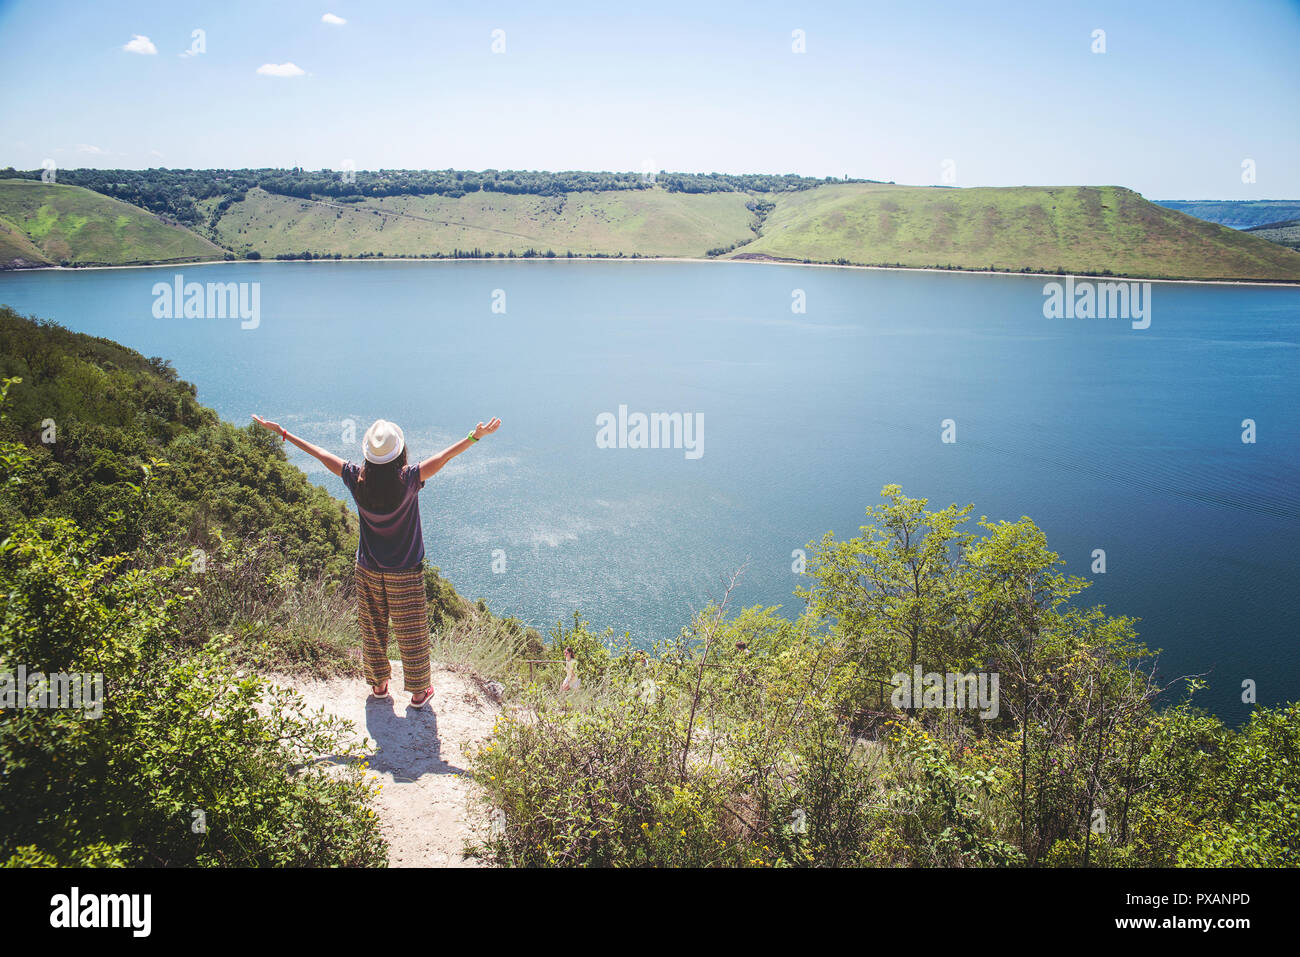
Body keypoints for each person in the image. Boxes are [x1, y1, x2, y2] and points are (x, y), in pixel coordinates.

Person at [252, 413, 501, 707]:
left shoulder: (356, 478)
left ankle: (380, 685)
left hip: (368, 567)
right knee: (412, 631)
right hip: (405, 570)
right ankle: (420, 692)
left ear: (368, 455)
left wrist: (282, 432)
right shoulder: (409, 479)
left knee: (372, 628)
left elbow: (319, 454)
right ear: (400, 453)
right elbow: (445, 456)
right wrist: (475, 436)